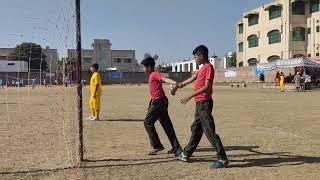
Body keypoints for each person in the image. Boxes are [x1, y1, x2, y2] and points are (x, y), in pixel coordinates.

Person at [174, 45, 229, 169]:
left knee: (209, 131)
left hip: (204, 103)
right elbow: (193, 78)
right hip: (199, 104)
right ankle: (186, 153)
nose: (195, 59)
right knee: (196, 129)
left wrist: (190, 95)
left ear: (201, 56)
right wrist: (180, 84)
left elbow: (207, 87)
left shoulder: (209, 67)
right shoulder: (202, 68)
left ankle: (223, 158)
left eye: (195, 57)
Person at [141, 55, 182, 156]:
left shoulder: (154, 74)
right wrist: (150, 103)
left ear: (149, 67)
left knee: (147, 122)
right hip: (160, 101)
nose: (143, 69)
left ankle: (157, 146)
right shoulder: (151, 76)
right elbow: (155, 91)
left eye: (144, 67)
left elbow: (164, 79)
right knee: (166, 125)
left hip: (159, 102)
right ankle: (176, 148)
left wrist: (175, 83)